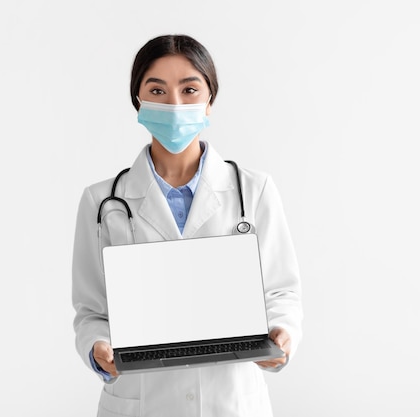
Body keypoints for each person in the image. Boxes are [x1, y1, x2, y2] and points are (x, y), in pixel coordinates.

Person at [72, 34, 302, 417]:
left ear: (210, 100)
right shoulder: (101, 202)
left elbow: (281, 292)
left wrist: (283, 334)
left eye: (190, 89)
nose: (174, 105)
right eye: (157, 90)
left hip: (230, 401)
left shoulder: (254, 190)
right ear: (138, 101)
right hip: (142, 402)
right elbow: (92, 310)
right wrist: (97, 347)